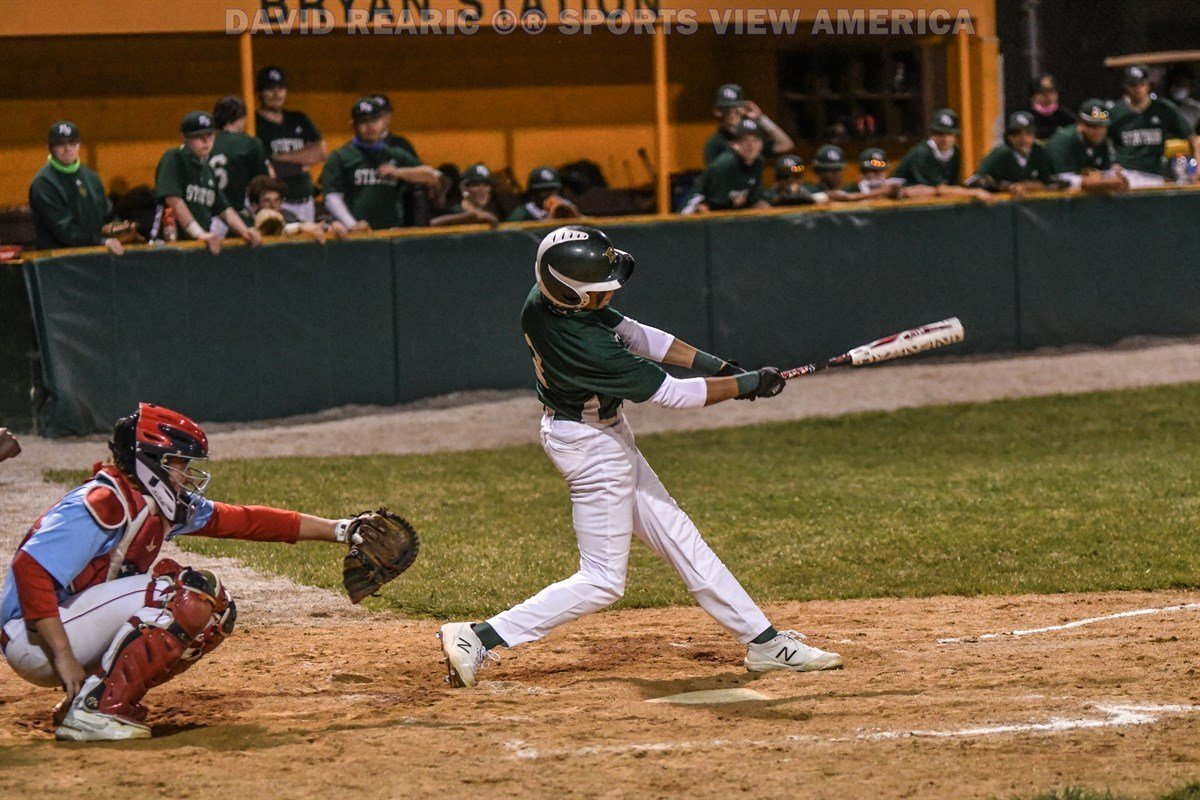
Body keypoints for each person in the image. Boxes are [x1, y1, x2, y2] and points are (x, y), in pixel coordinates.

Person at [437, 225, 843, 688]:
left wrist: (721, 369)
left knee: (681, 538)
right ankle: (479, 636)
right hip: (591, 449)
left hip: (599, 434)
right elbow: (674, 395)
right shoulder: (586, 347)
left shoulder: (547, 298)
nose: (610, 293)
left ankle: (764, 642)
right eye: (601, 288)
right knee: (602, 579)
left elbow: (637, 334)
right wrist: (747, 385)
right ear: (573, 293)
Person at [0, 403, 367, 741]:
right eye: (179, 464)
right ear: (151, 462)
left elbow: (244, 520)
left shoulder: (151, 502)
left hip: (65, 628)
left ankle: (96, 697)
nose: (187, 474)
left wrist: (342, 530)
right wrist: (64, 659)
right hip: (34, 638)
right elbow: (29, 568)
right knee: (186, 592)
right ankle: (94, 711)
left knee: (217, 611)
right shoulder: (103, 501)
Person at [318, 97, 444, 231]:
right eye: (364, 121)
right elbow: (332, 196)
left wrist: (397, 172)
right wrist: (352, 224)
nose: (370, 126)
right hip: (354, 232)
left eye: (375, 120)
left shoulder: (395, 154)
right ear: (353, 125)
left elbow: (432, 176)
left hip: (391, 231)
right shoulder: (340, 156)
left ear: (383, 122)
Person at [152, 111, 263, 254]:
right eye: (198, 136)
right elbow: (173, 200)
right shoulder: (174, 158)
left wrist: (246, 231)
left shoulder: (206, 168)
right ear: (184, 137)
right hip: (168, 246)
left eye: (210, 135)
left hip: (197, 246)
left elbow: (224, 209)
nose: (206, 141)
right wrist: (199, 233)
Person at [28, 122, 124, 255]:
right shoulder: (43, 183)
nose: (68, 149)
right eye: (60, 144)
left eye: (72, 143)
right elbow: (63, 229)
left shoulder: (91, 176)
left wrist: (116, 226)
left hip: (95, 254)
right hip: (58, 259)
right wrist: (101, 241)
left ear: (79, 145)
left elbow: (106, 212)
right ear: (50, 148)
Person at [254, 66, 326, 222]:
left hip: (306, 200)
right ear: (259, 92)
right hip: (277, 203)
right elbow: (266, 167)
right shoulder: (254, 124)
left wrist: (279, 158)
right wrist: (300, 162)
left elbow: (320, 151)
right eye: (270, 89)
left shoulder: (298, 118)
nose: (276, 94)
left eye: (280, 88)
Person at [1108, 64, 1195, 186]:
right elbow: (1102, 143)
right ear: (1126, 86)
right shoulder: (1115, 111)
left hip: (1154, 174)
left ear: (1149, 84)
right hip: (1125, 175)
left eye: (1142, 84)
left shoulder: (1163, 109)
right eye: (1133, 85)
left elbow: (1193, 138)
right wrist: (1110, 165)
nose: (1138, 88)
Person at [891, 109, 993, 202]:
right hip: (899, 198)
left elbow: (952, 185)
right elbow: (939, 190)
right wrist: (973, 193)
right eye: (940, 134)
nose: (945, 139)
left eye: (949, 134)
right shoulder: (923, 153)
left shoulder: (955, 152)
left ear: (956, 136)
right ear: (932, 135)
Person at [681, 118, 769, 214]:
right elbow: (712, 204)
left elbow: (754, 198)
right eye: (745, 141)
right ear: (734, 144)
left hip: (729, 207)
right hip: (699, 206)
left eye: (756, 141)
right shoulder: (724, 165)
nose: (751, 146)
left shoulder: (759, 162)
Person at [965, 111, 1065, 196]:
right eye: (1017, 133)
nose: (1024, 139)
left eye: (1028, 133)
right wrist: (1006, 186)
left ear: (1034, 135)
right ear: (1009, 137)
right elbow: (975, 181)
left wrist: (1026, 186)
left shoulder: (1039, 151)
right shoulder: (1001, 153)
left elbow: (1050, 182)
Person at [209, 95, 271, 219]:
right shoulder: (250, 143)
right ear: (241, 117)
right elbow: (261, 184)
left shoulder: (205, 143)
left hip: (207, 212)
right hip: (236, 212)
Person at [1046, 99, 1128, 193]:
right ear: (1080, 124)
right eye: (1092, 126)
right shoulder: (1063, 141)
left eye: (1102, 126)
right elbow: (1063, 179)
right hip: (1048, 195)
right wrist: (1104, 182)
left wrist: (1113, 178)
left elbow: (1107, 171)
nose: (1098, 131)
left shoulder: (1104, 141)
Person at [703, 83, 794, 165]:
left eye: (735, 108)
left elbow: (786, 144)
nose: (731, 113)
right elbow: (715, 175)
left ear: (743, 109)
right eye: (726, 109)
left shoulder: (752, 138)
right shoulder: (715, 143)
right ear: (718, 112)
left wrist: (761, 118)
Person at [244, 175, 343, 242]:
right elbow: (268, 230)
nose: (273, 205)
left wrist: (330, 227)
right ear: (254, 205)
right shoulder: (245, 221)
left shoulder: (287, 215)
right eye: (266, 201)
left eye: (277, 200)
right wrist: (299, 227)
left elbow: (308, 226)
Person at [430, 163, 501, 227]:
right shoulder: (454, 211)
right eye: (476, 185)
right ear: (464, 187)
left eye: (486, 185)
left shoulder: (493, 212)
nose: (482, 190)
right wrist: (471, 216)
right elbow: (433, 223)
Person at [506, 167, 582, 222]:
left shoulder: (565, 208)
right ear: (533, 193)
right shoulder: (520, 215)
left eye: (553, 189)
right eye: (544, 190)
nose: (550, 194)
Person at [1028, 74, 1075, 141]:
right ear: (1034, 95)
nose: (1047, 95)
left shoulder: (1065, 114)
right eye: (1043, 91)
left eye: (1051, 91)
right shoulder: (1027, 116)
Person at [1164, 68, 1200, 134]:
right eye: (1177, 84)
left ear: (1191, 86)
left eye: (1184, 84)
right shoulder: (1162, 107)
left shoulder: (1196, 108)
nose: (1180, 87)